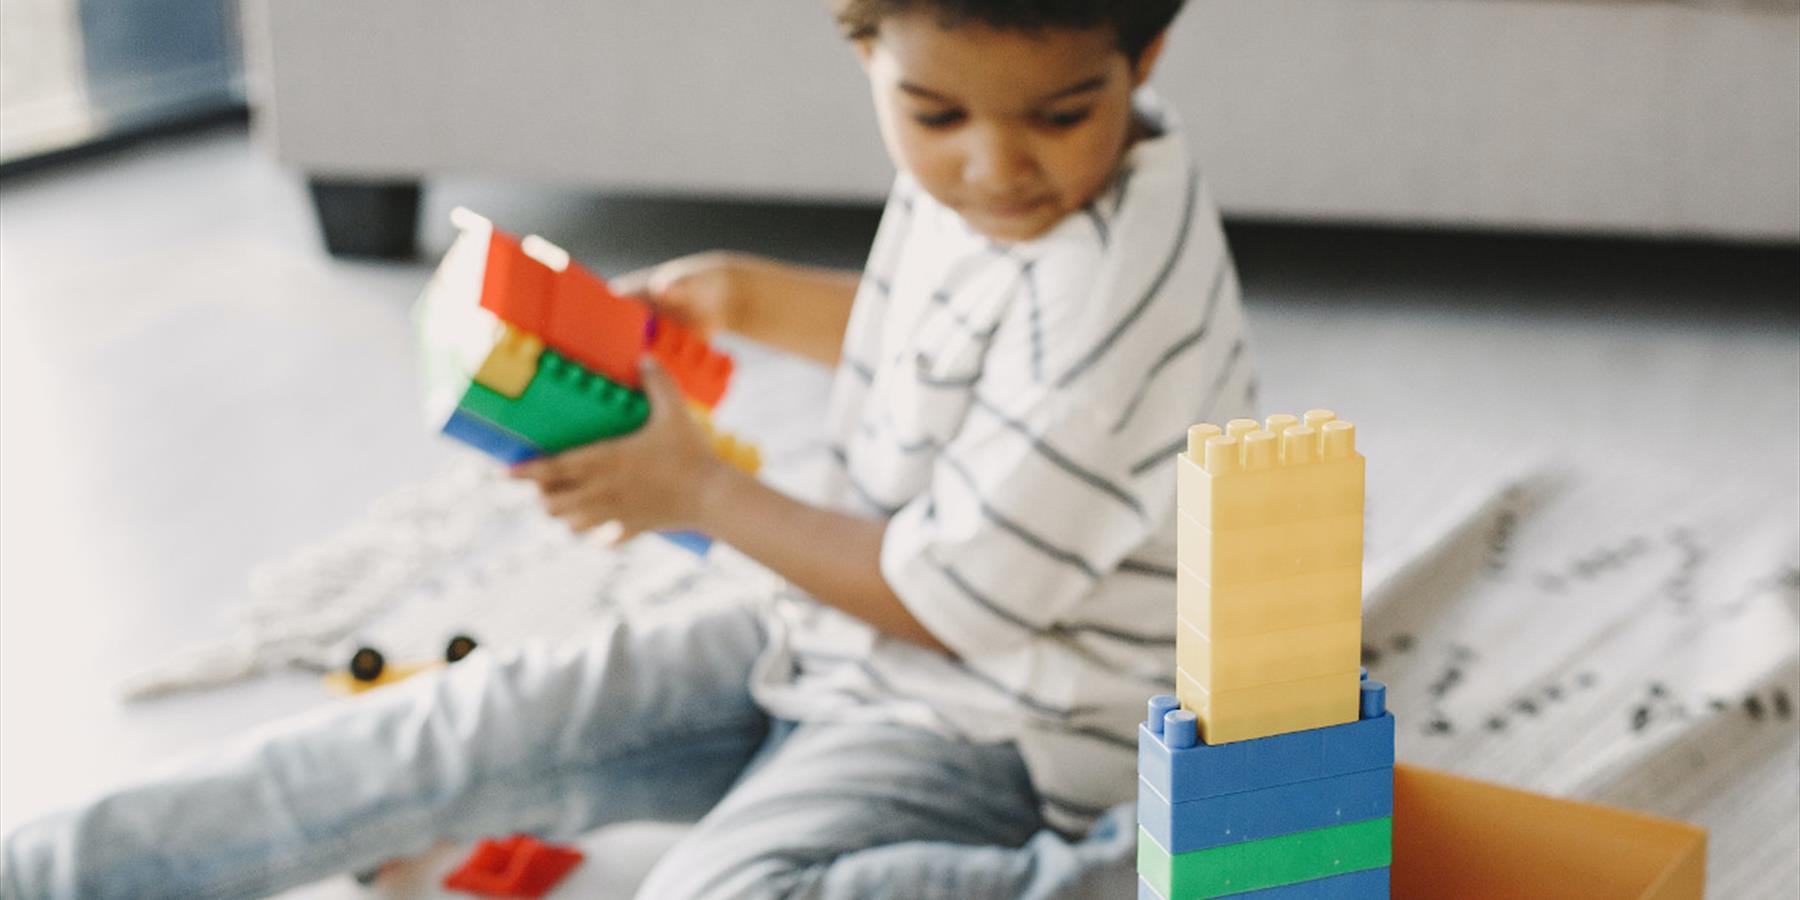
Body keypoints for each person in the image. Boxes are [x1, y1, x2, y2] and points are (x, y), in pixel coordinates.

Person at [1, 1, 1254, 897]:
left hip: (1007, 729)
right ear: (860, 39)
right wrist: (749, 299)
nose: (991, 165)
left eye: (1055, 114)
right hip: (834, 646)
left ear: (1143, 54)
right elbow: (949, 341)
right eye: (934, 114)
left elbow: (950, 602)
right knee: (453, 735)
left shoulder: (1111, 301)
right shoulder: (1045, 169)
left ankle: (1147, 868)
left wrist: (694, 489)